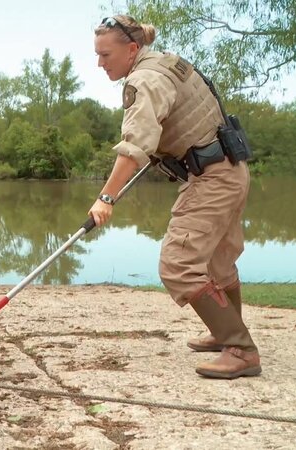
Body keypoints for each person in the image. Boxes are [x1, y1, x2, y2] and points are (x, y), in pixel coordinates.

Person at [89, 15, 260, 379]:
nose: (100, 63)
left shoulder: (144, 79)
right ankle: (226, 334)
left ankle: (240, 349)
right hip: (230, 170)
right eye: (97, 55)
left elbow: (134, 146)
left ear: (131, 49)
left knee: (178, 264)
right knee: (218, 263)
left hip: (213, 178)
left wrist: (106, 198)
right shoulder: (166, 63)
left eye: (105, 55)